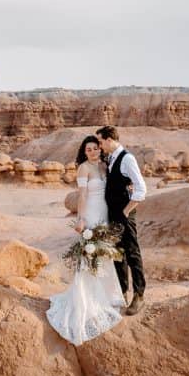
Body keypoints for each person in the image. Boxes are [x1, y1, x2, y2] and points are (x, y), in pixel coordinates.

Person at [46, 136, 125, 345]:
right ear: (84, 151)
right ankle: (88, 300)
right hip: (90, 214)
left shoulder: (103, 165)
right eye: (88, 149)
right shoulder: (83, 168)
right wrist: (80, 219)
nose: (92, 152)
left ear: (100, 149)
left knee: (104, 252)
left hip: (104, 213)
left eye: (95, 148)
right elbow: (82, 195)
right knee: (90, 254)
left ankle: (107, 296)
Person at [95, 125, 147, 315]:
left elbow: (141, 189)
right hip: (113, 215)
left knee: (132, 253)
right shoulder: (111, 158)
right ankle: (123, 292)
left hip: (124, 215)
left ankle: (139, 295)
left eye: (100, 142)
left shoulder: (127, 158)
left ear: (109, 140)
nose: (100, 146)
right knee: (118, 254)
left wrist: (125, 212)